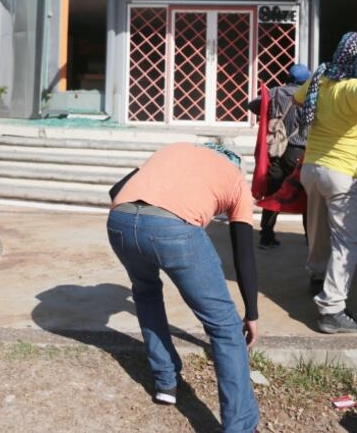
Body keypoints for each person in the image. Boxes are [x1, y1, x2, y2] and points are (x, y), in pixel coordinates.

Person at [108, 142, 261, 433]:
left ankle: (166, 382)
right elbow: (244, 254)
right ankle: (240, 426)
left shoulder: (173, 150)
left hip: (120, 222)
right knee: (224, 327)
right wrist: (251, 313)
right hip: (173, 229)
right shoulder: (236, 178)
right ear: (236, 164)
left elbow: (116, 189)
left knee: (146, 293)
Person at [293, 28, 357, 334]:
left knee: (319, 230)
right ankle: (331, 309)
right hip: (342, 174)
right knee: (347, 243)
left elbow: (300, 102)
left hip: (312, 169)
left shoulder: (320, 79)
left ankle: (317, 277)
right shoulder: (352, 89)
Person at [248, 63, 311, 249]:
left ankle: (266, 237)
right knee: (307, 198)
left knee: (273, 194)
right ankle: (310, 241)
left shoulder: (275, 92)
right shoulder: (309, 96)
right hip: (298, 152)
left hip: (275, 151)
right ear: (305, 80)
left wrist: (269, 113)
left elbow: (252, 105)